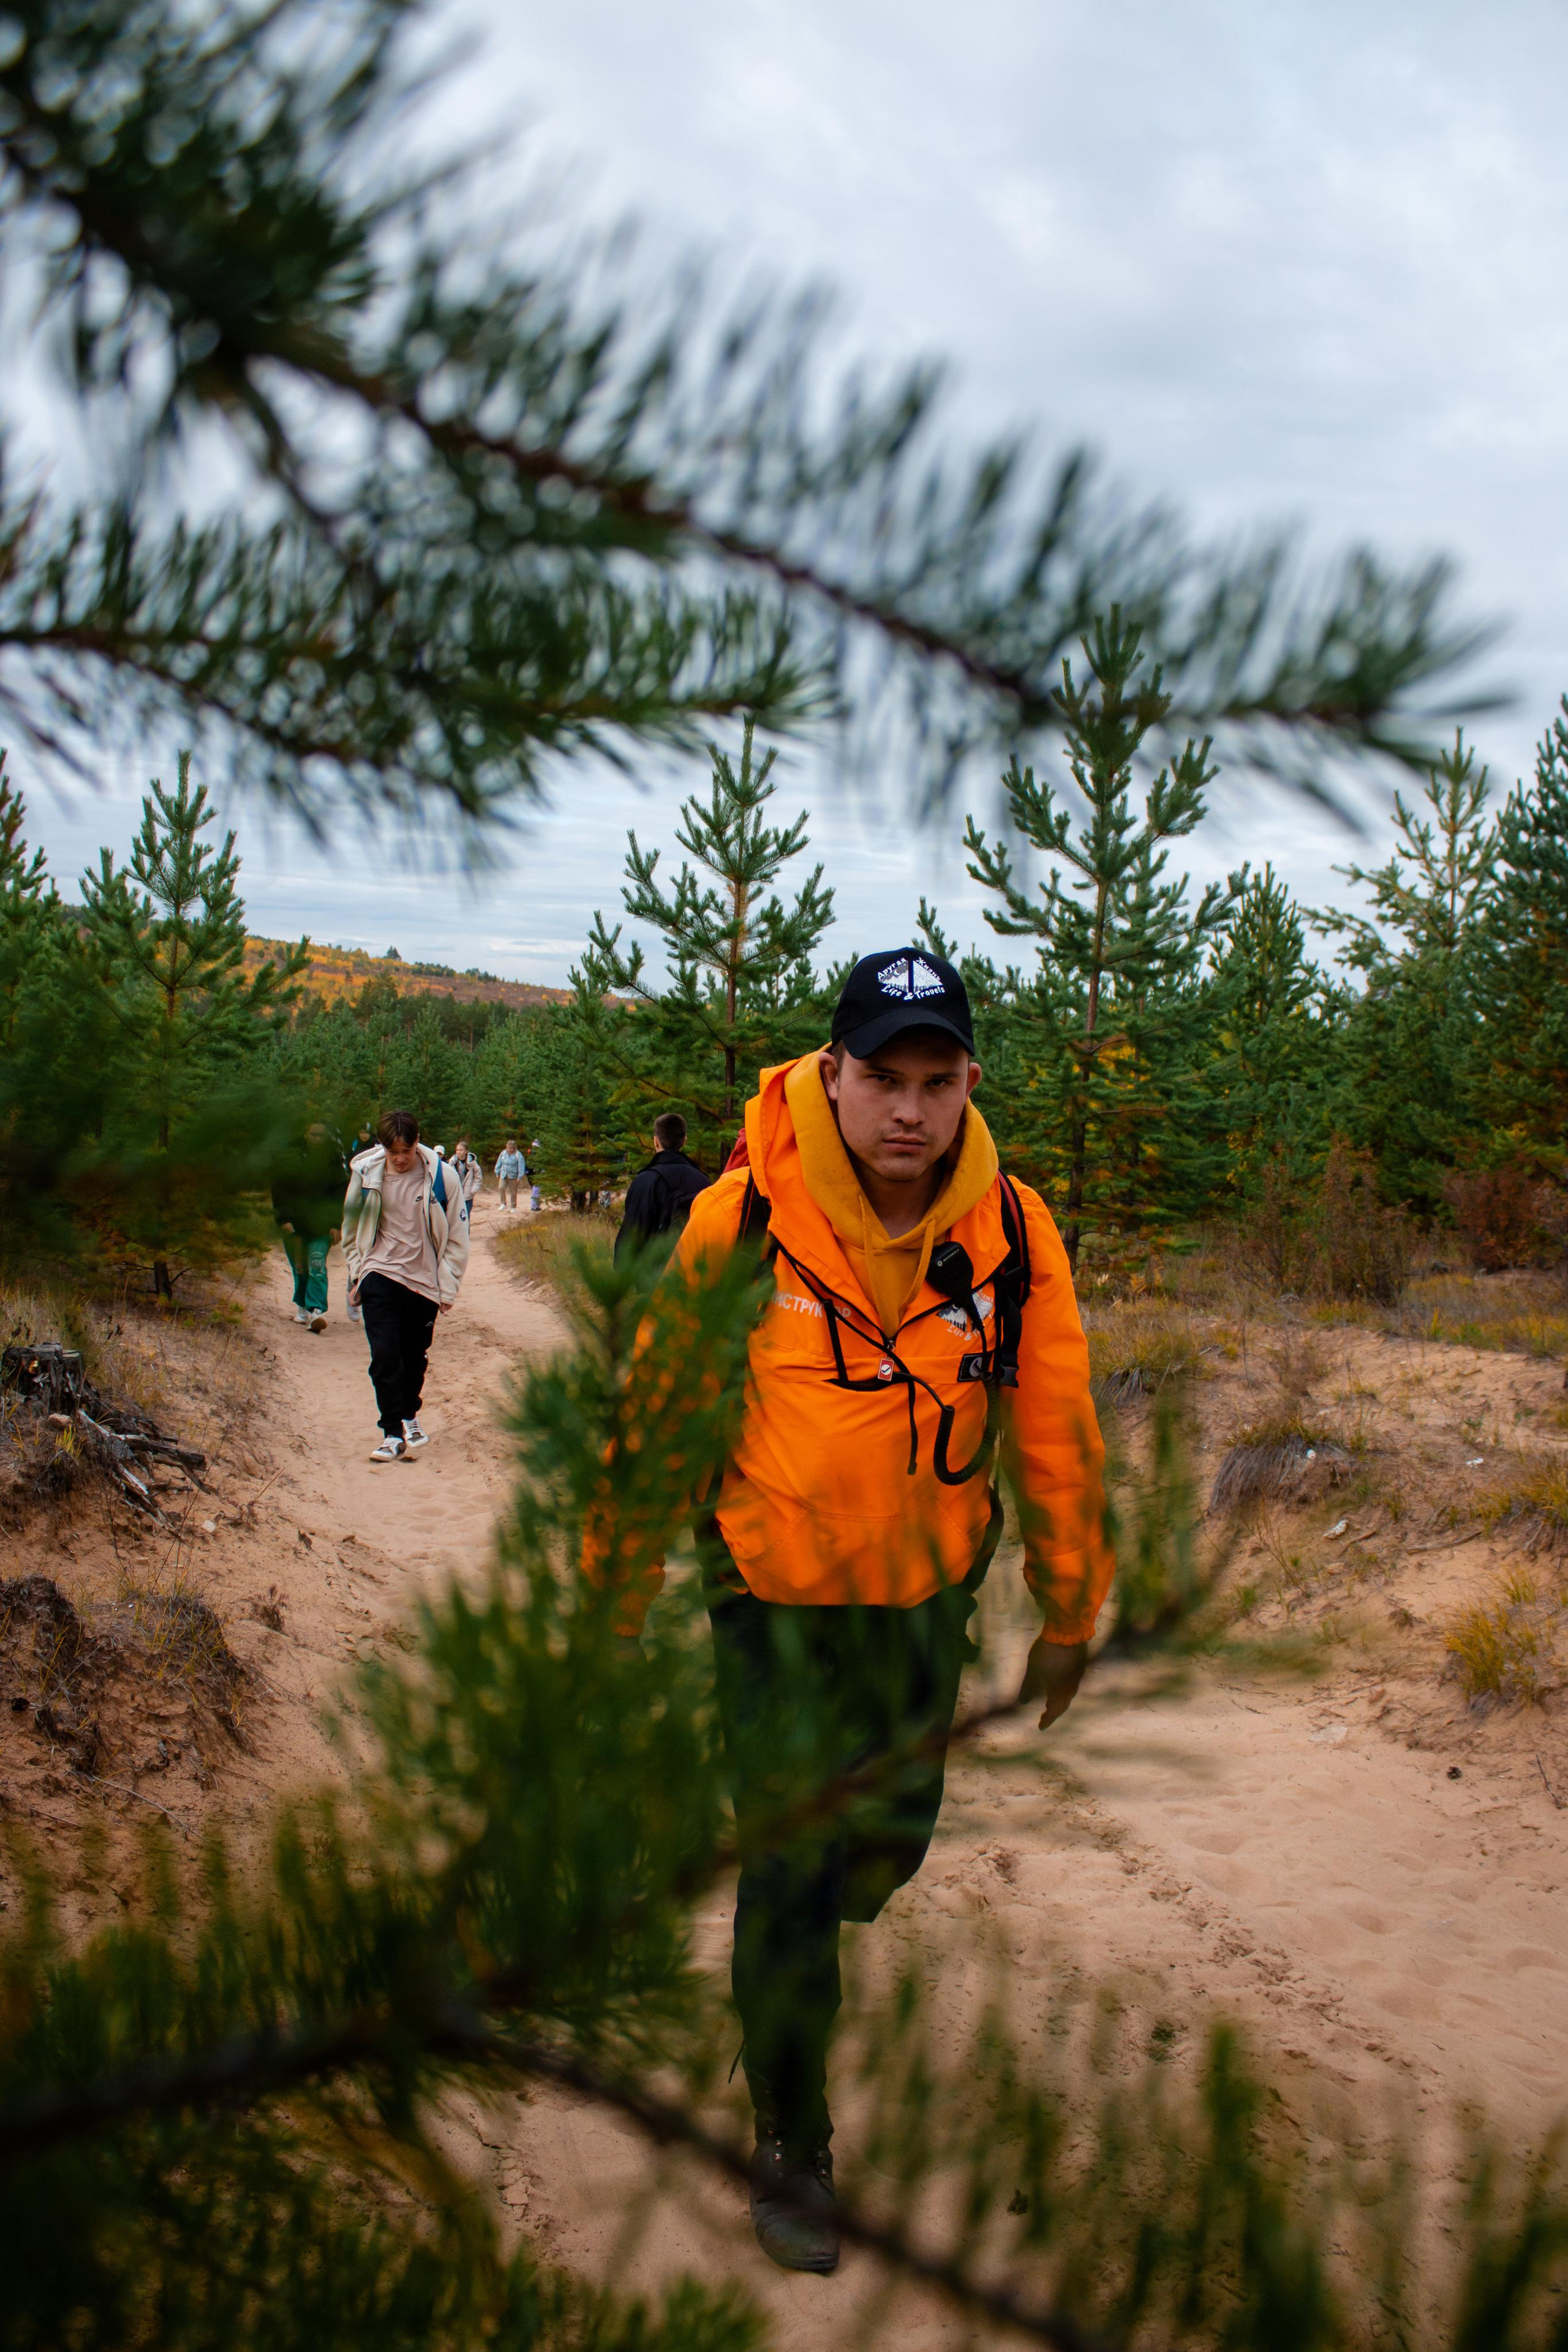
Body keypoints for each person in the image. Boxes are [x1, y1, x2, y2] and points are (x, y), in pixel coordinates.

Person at [590, 948, 1114, 2276]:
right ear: (831, 1074)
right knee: (790, 1863)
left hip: (920, 1600)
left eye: (937, 1082)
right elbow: (659, 1411)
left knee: (881, 1848)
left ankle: (818, 1892)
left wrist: (1068, 1606)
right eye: (883, 1077)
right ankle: (790, 2136)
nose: (908, 1110)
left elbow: (1055, 1427)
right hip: (765, 1594)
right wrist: (616, 1590)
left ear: (969, 1084)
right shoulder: (740, 1219)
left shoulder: (1011, 1234)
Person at [342, 1110, 472, 1463]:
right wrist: (356, 1272)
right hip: (379, 1272)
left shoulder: (442, 1177)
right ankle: (391, 1433)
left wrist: (448, 1287)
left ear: (418, 1142)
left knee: (413, 1358)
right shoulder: (366, 1174)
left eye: (407, 1151)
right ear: (382, 1147)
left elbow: (458, 1236)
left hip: (425, 1281)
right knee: (384, 1355)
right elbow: (351, 1228)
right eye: (392, 1152)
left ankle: (409, 1415)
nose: (400, 1159)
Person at [271, 1120, 344, 1332]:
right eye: (313, 1134)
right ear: (305, 1135)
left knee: (317, 1266)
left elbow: (339, 1195)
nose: (317, 1139)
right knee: (300, 1268)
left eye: (321, 1135)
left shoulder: (333, 1161)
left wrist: (336, 1224)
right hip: (295, 1225)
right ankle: (302, 1306)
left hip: (322, 1227)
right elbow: (279, 1191)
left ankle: (317, 1311)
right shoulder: (290, 1159)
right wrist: (283, 1220)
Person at [613, 1110, 710, 1264]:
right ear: (684, 1140)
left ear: (656, 1141)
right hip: (694, 1271)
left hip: (653, 1274)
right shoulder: (704, 1182)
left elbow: (630, 1239)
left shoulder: (644, 1181)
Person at [494, 1136, 526, 1209]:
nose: (509, 1150)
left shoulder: (518, 1154)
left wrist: (519, 1177)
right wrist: (497, 1172)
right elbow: (499, 1163)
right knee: (501, 1188)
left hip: (513, 1176)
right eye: (508, 1148)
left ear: (514, 1148)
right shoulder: (503, 1153)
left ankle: (513, 1206)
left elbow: (521, 1166)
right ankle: (503, 1203)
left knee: (513, 1192)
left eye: (511, 1149)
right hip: (503, 1174)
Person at [450, 1137, 483, 1203]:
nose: (459, 1152)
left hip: (468, 1196)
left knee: (467, 1210)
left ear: (466, 1151)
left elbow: (478, 1178)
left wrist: (473, 1190)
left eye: (461, 1150)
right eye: (457, 1150)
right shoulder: (452, 1163)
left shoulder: (473, 1163)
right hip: (456, 1195)